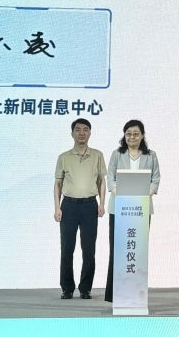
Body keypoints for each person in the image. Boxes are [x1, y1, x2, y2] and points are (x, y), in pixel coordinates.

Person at [103, 119, 161, 303]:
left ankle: (136, 294)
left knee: (137, 251)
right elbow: (110, 177)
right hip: (119, 207)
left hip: (141, 209)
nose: (132, 137)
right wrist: (119, 192)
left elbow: (155, 179)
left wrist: (145, 194)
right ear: (124, 136)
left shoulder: (151, 155)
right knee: (118, 251)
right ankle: (115, 295)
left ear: (142, 136)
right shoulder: (117, 154)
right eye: (128, 134)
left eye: (136, 134)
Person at [53, 118, 106, 300]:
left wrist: (101, 204)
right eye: (78, 129)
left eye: (85, 129)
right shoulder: (64, 157)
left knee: (89, 250)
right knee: (67, 249)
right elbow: (58, 184)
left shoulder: (97, 155)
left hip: (90, 206)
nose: (82, 133)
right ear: (72, 133)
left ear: (90, 133)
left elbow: (101, 181)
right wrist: (57, 207)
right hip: (68, 206)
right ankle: (67, 288)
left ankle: (85, 289)